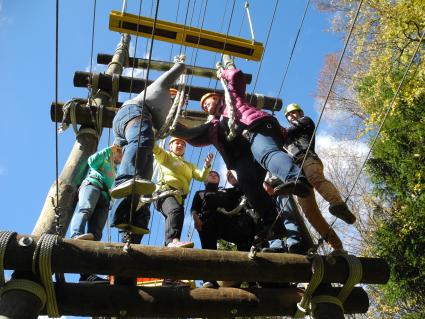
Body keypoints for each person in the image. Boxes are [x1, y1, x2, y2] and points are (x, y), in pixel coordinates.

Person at [110, 55, 186, 234]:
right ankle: (125, 180)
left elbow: (185, 132)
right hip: (132, 113)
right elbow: (174, 72)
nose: (175, 101)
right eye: (174, 97)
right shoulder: (159, 89)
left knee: (146, 174)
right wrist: (180, 63)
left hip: (131, 129)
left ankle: (131, 218)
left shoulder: (167, 118)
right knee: (142, 143)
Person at [283, 103, 356, 225]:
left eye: (293, 113)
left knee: (316, 179)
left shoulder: (305, 121)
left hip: (307, 159)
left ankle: (337, 204)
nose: (291, 116)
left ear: (300, 113)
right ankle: (333, 242)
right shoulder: (286, 136)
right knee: (307, 209)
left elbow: (287, 131)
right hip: (296, 170)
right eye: (288, 115)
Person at [191, 170, 257, 288]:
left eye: (216, 175)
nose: (214, 175)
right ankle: (209, 279)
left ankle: (250, 277)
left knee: (244, 236)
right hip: (207, 221)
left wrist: (233, 178)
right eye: (210, 174)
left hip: (227, 220)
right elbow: (194, 209)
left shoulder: (226, 190)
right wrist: (196, 220)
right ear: (205, 180)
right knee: (208, 248)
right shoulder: (200, 193)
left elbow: (241, 189)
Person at [69, 145, 122, 283]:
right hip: (93, 185)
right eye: (120, 152)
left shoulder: (116, 172)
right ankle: (76, 234)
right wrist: (110, 149)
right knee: (85, 209)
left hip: (105, 199)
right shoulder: (104, 160)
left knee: (96, 234)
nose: (121, 156)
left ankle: (86, 274)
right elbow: (91, 160)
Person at [153, 136, 213, 248]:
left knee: (178, 214)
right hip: (164, 192)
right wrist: (151, 136)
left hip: (179, 197)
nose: (180, 145)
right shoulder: (166, 156)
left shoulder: (189, 165)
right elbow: (155, 149)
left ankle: (173, 242)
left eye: (183, 144)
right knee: (174, 210)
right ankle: (172, 241)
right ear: (170, 146)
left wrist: (206, 166)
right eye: (177, 143)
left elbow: (201, 176)